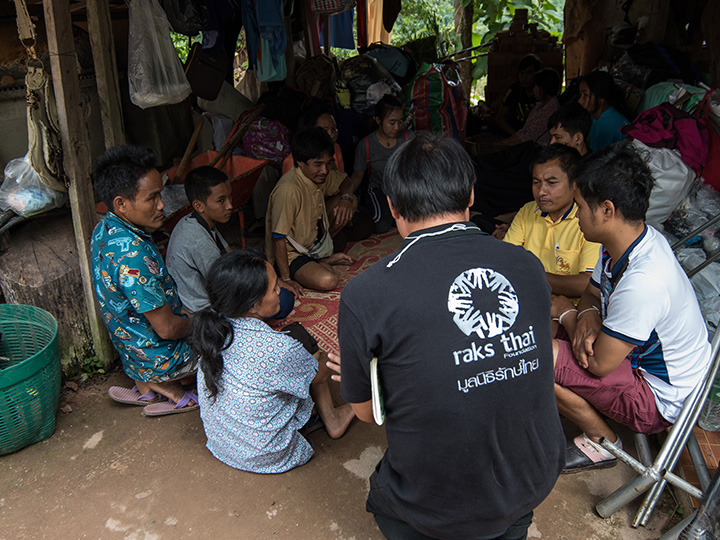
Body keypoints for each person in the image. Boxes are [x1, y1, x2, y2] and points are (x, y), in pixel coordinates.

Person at [334, 132, 565, 539]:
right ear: (471, 194)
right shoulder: (527, 266)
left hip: (435, 503)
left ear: (392, 205)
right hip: (534, 480)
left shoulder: (365, 293)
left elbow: (369, 414)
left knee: (383, 495)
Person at [551, 141, 711, 473]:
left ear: (607, 210)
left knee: (532, 355)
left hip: (657, 399)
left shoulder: (644, 280)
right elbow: (593, 297)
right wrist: (586, 316)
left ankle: (602, 443)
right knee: (542, 327)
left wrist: (570, 313)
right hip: (631, 360)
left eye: (580, 206)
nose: (576, 214)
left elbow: (598, 364)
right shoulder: (625, 243)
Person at [192, 250, 355, 473]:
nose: (280, 291)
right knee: (309, 350)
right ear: (252, 305)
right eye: (274, 288)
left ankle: (320, 412)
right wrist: (326, 358)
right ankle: (332, 418)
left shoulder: (212, 333)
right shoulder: (277, 349)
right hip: (267, 454)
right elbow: (321, 374)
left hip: (225, 445)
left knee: (295, 336)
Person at [90, 145, 198, 416]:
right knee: (228, 336)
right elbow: (167, 330)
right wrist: (200, 322)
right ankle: (167, 384)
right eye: (152, 198)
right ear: (121, 204)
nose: (162, 205)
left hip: (131, 352)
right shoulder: (134, 256)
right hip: (159, 357)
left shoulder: (105, 229)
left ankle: (145, 385)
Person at [166, 166, 294, 318]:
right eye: (221, 201)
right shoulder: (197, 239)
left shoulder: (199, 222)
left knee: (273, 287)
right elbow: (224, 287)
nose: (230, 205)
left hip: (214, 291)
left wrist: (275, 281)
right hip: (203, 309)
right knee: (283, 301)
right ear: (198, 205)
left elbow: (231, 254)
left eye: (229, 197)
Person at [266, 127, 370, 293]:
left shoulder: (318, 176)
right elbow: (278, 238)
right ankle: (321, 262)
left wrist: (346, 197)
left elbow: (345, 181)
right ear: (300, 162)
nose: (325, 170)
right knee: (328, 280)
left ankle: (321, 259)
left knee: (350, 200)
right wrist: (285, 279)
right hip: (293, 253)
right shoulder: (288, 190)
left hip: (312, 243)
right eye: (318, 164)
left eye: (328, 163)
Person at [501, 144, 600, 302]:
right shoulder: (527, 212)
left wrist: (531, 275)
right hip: (527, 302)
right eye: (536, 182)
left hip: (567, 312)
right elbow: (505, 263)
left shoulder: (588, 220)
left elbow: (587, 284)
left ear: (575, 184)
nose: (541, 191)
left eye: (551, 183)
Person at [350, 95, 414, 233]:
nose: (397, 127)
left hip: (403, 189)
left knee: (413, 219)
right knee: (381, 225)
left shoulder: (409, 138)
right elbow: (356, 176)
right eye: (392, 122)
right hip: (379, 189)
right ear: (378, 120)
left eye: (400, 121)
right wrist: (347, 196)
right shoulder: (366, 145)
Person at [500, 68, 561, 147]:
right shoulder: (540, 105)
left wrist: (502, 144)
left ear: (544, 87)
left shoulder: (551, 109)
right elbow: (524, 131)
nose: (533, 90)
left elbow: (527, 137)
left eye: (536, 86)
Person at [578, 71, 629, 153]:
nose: (580, 100)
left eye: (586, 95)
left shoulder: (605, 123)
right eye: (580, 95)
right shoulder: (605, 116)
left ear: (602, 97)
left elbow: (598, 160)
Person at [282, 108, 344, 174]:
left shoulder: (336, 147)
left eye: (334, 128)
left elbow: (341, 179)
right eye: (325, 130)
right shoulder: (292, 162)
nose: (331, 134)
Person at [495, 54, 543, 136]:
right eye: (522, 73)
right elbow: (500, 118)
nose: (524, 78)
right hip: (515, 132)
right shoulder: (514, 90)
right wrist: (516, 135)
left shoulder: (543, 91)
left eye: (528, 73)